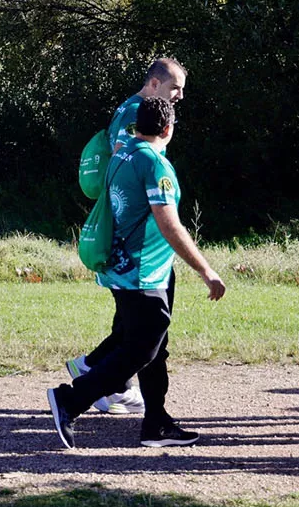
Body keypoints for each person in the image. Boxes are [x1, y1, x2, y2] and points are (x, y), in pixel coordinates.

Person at [47, 97, 227, 449]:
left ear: (136, 125)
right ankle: (71, 399)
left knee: (155, 348)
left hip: (125, 268)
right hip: (141, 274)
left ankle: (156, 423)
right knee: (141, 350)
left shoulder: (124, 152)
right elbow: (169, 225)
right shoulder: (154, 165)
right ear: (168, 128)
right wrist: (206, 270)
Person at [65, 57, 187, 416]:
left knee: (137, 324)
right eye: (174, 87)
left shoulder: (131, 108)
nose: (179, 95)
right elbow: (126, 168)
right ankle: (99, 377)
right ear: (153, 84)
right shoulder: (137, 112)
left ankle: (102, 377)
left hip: (134, 240)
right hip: (136, 243)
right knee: (143, 327)